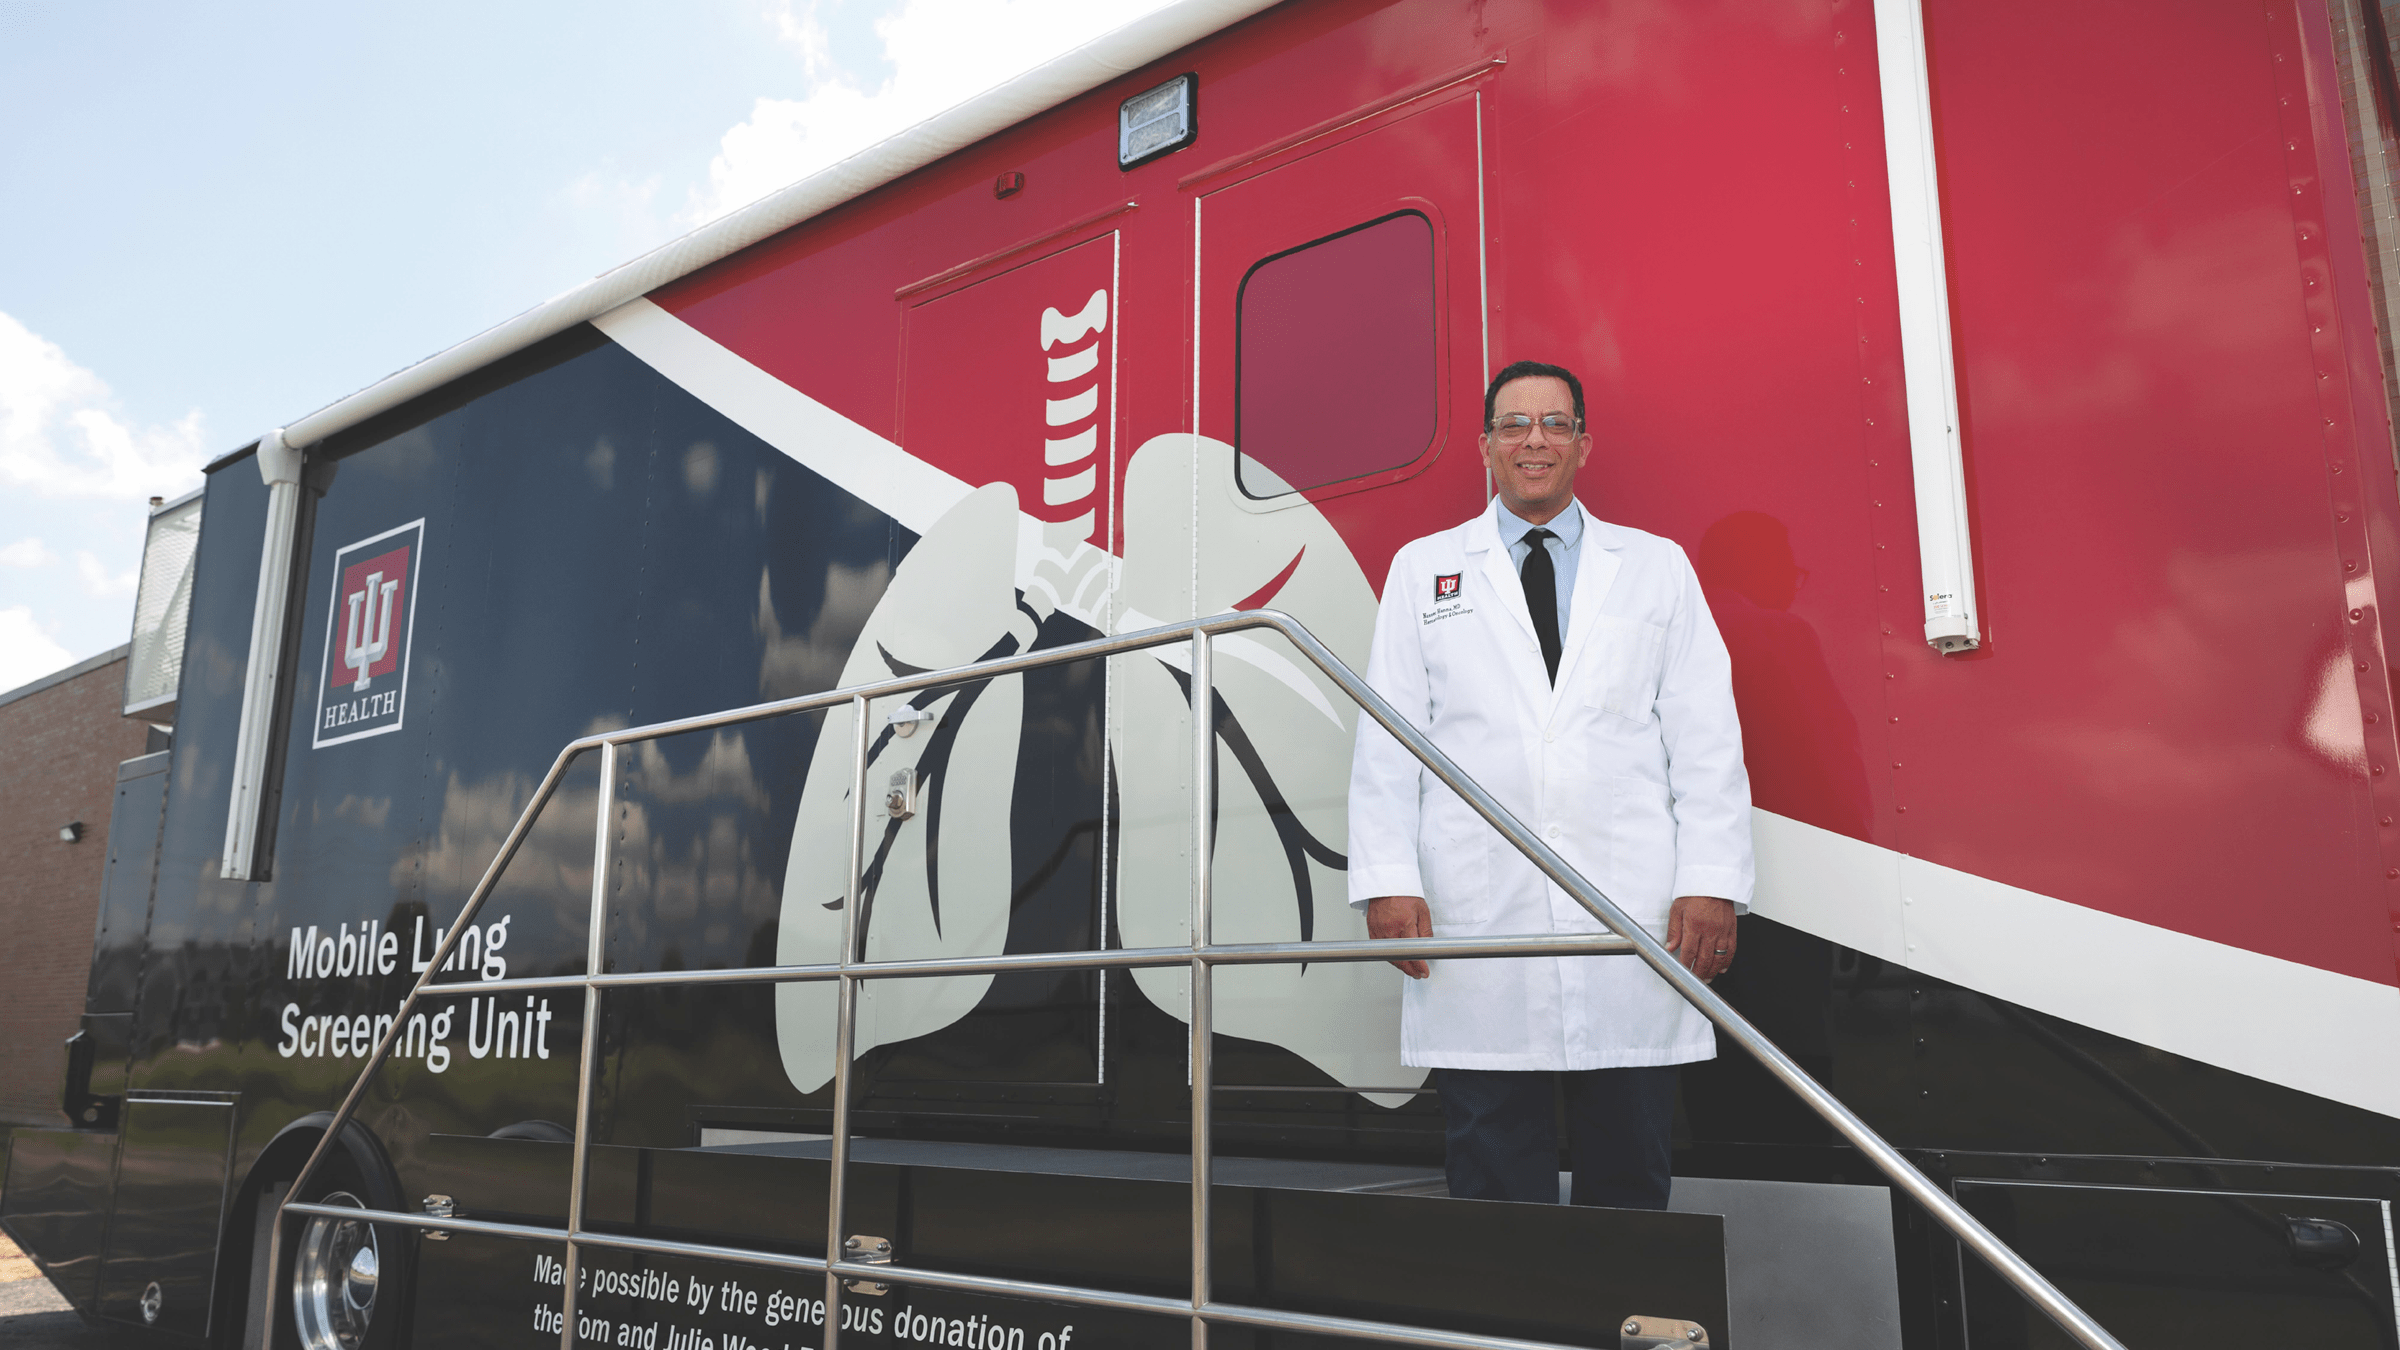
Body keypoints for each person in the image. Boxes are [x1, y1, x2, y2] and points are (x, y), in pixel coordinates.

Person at [1346, 360, 1754, 1209]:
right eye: (1515, 424)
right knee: (1493, 1161)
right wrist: (1387, 880)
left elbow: (1705, 737)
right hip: (1476, 912)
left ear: (1582, 445)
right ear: (1487, 447)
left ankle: (1633, 1330)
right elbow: (1390, 739)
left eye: (1556, 423)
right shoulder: (1424, 571)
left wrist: (1712, 881)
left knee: (1630, 1162)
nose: (1535, 439)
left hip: (1629, 909)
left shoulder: (1656, 568)